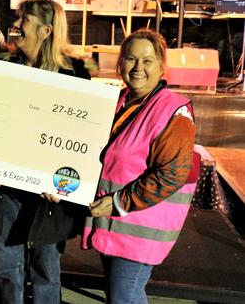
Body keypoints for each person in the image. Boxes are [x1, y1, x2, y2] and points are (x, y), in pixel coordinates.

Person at [84, 29, 198, 303]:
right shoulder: (118, 102)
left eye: (147, 61)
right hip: (114, 222)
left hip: (138, 226)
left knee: (124, 296)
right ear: (120, 62)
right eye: (131, 58)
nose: (138, 68)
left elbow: (172, 173)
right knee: (121, 294)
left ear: (161, 67)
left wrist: (120, 202)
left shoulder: (173, 110)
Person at [0, 0, 90, 304]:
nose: (17, 25)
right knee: (8, 264)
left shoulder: (75, 75)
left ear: (46, 30)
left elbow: (81, 135)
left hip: (51, 193)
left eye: (25, 19)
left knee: (46, 267)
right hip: (8, 186)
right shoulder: (4, 66)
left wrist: (61, 181)